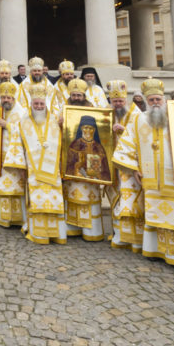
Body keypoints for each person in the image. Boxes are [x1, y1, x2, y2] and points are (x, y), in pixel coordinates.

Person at [114, 78, 174, 266]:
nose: (155, 103)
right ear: (146, 101)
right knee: (154, 213)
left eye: (158, 99)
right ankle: (155, 250)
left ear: (164, 100)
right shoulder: (138, 119)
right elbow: (127, 146)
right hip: (150, 178)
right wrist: (134, 169)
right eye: (151, 100)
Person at [18, 84, 66, 244]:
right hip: (33, 168)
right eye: (36, 103)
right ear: (31, 104)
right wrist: (21, 165)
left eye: (41, 104)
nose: (39, 106)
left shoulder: (54, 120)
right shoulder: (23, 121)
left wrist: (64, 125)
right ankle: (38, 233)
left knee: (54, 199)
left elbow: (64, 140)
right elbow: (17, 144)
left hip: (52, 168)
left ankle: (56, 234)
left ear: (46, 104)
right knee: (36, 199)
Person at [63, 81, 107, 242]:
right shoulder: (64, 110)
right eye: (74, 95)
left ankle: (91, 232)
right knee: (72, 199)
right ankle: (72, 229)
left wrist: (90, 170)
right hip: (72, 178)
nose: (76, 98)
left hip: (89, 178)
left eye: (79, 95)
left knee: (89, 200)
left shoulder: (92, 109)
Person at [107, 80, 143, 252]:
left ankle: (135, 239)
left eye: (120, 101)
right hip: (113, 165)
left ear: (126, 100)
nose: (118, 104)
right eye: (115, 101)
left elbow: (142, 135)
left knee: (130, 201)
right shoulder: (107, 113)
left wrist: (123, 130)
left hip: (130, 166)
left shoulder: (136, 114)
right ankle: (119, 234)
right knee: (117, 199)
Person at [0, 82, 27, 228]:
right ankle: (2, 218)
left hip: (15, 158)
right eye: (3, 97)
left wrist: (8, 126)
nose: (6, 100)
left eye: (8, 98)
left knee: (16, 189)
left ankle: (18, 219)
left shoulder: (22, 112)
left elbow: (25, 132)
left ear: (13, 98)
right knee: (1, 188)